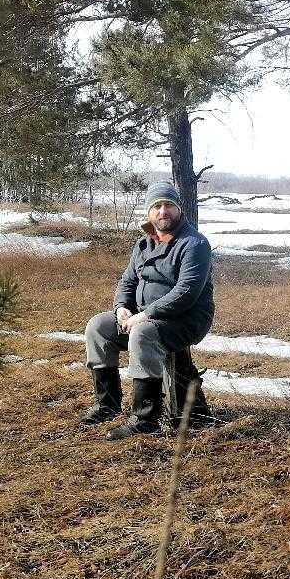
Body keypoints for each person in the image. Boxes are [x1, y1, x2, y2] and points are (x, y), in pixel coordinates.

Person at [82, 181, 214, 440]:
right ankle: (106, 405)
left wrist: (146, 314)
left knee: (143, 334)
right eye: (156, 206)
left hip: (185, 319)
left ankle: (144, 419)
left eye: (168, 205)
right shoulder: (143, 244)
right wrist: (121, 308)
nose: (163, 211)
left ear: (178, 209)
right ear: (149, 212)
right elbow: (127, 281)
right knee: (98, 327)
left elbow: (186, 292)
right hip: (144, 316)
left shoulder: (194, 244)